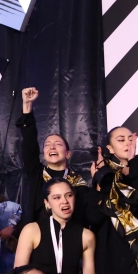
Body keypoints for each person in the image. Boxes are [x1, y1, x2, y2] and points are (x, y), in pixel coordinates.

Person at [14, 178, 96, 274]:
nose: (64, 201)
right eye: (57, 197)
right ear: (47, 203)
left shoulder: (86, 235)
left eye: (69, 195)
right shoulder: (32, 230)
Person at [88, 128, 138, 274]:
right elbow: (93, 217)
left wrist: (134, 160)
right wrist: (100, 180)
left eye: (130, 139)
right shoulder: (104, 176)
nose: (127, 143)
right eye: (121, 140)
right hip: (112, 264)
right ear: (110, 148)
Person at [17, 87, 88, 223]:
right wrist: (27, 105)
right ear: (43, 154)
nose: (52, 147)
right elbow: (29, 143)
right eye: (47, 145)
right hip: (39, 233)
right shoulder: (37, 174)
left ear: (68, 154)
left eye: (58, 144)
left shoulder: (78, 182)